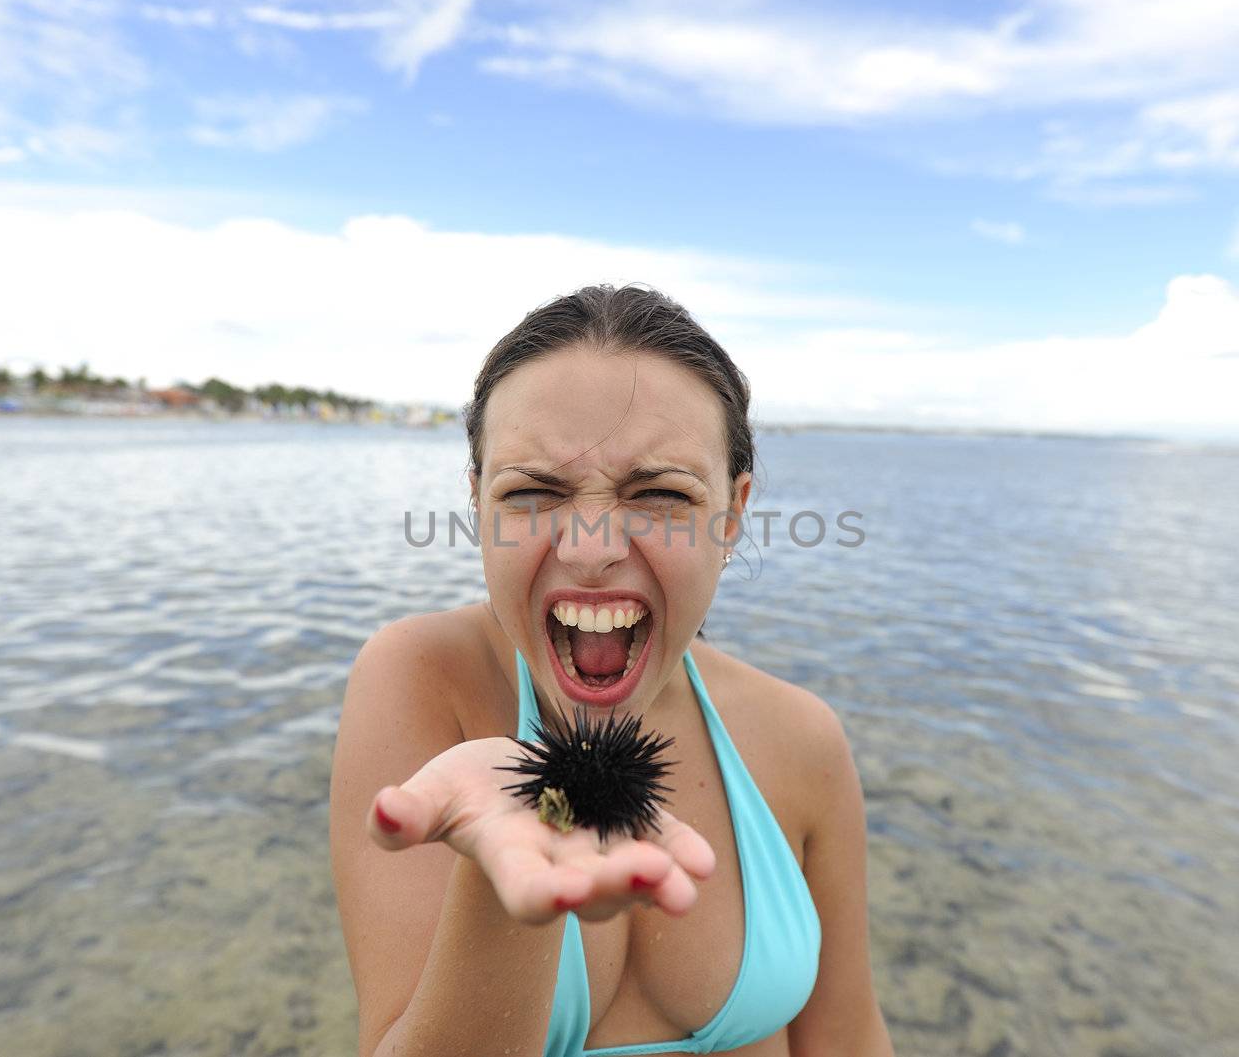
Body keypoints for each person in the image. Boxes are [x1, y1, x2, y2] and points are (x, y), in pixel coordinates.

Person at [329, 285, 894, 1056]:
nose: (589, 548)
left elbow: (849, 1040)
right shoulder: (421, 680)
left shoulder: (801, 737)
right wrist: (501, 894)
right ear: (477, 506)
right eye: (532, 492)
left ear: (732, 515)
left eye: (659, 493)